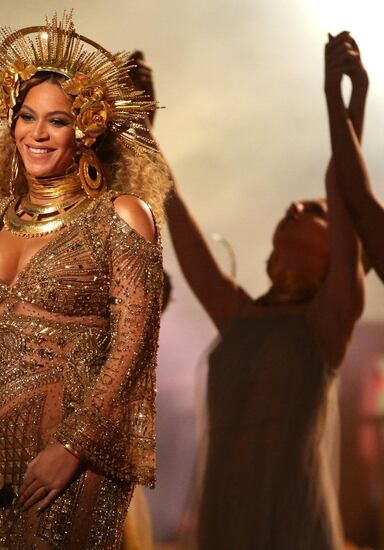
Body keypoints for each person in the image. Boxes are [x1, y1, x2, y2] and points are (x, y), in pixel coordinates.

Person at [0, 13, 170, 549]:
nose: (37, 133)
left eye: (56, 121)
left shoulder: (120, 217)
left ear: (86, 127)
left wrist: (73, 447)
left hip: (77, 458)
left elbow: (132, 348)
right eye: (27, 117)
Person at [160, 33, 365, 549]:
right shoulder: (237, 313)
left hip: (292, 524)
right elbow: (175, 213)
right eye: (294, 206)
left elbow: (345, 191)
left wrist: (337, 96)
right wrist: (143, 131)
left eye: (313, 211)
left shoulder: (329, 319)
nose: (294, 209)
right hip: (225, 524)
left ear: (339, 246)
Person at [325, 33, 382, 282]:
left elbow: (352, 195)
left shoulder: (334, 307)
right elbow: (352, 194)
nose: (295, 209)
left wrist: (341, 92)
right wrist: (352, 92)